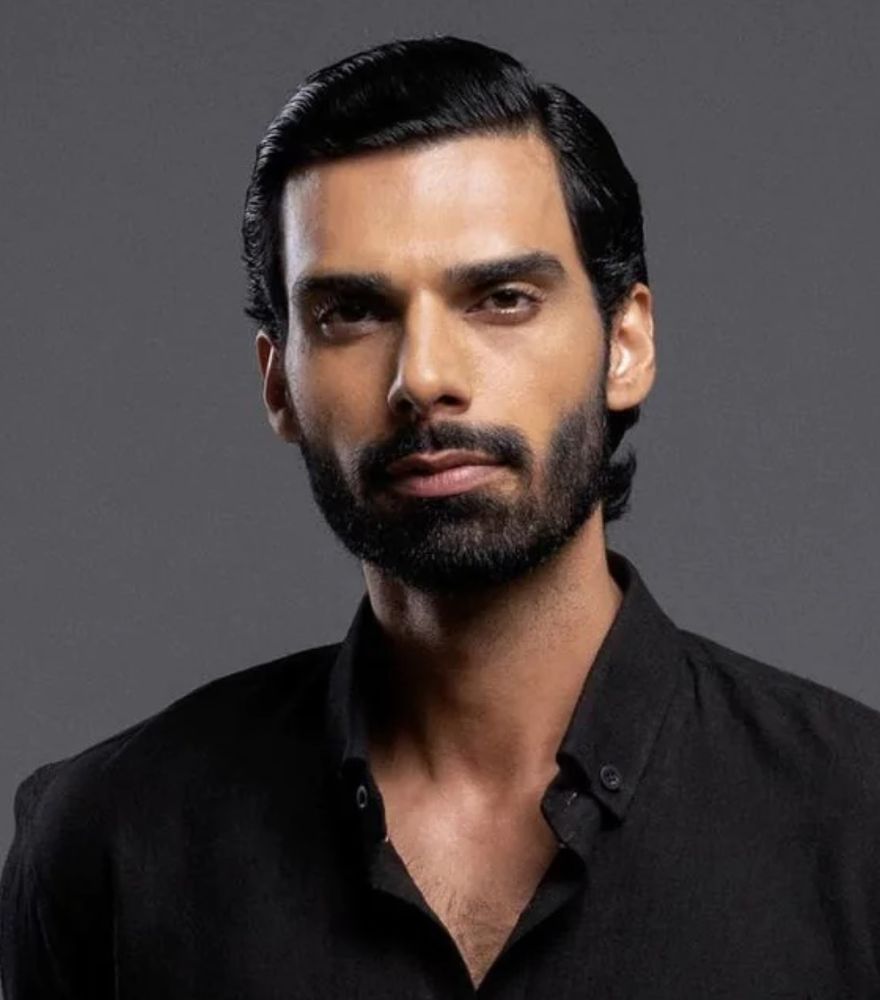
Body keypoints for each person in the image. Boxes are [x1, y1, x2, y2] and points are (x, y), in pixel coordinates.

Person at [2, 34, 879, 999]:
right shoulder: (107, 843)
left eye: (501, 299)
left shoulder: (858, 824)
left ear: (625, 344)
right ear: (279, 384)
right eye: (350, 313)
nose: (422, 377)